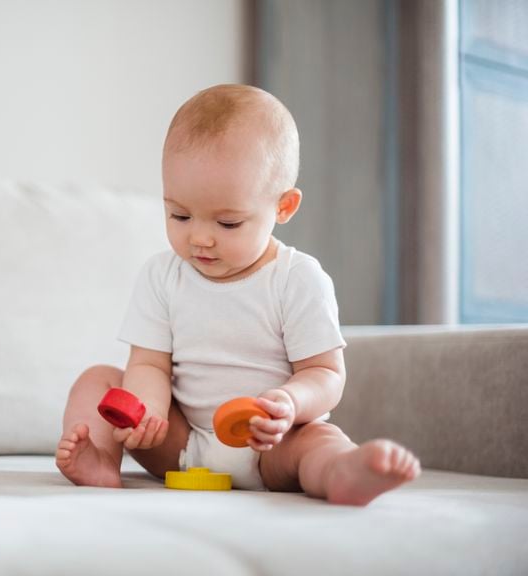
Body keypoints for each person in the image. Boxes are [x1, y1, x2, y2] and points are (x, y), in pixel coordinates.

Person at [55, 84, 420, 505]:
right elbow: (148, 364)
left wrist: (290, 403)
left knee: (319, 440)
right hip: (180, 445)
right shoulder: (162, 275)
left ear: (283, 207)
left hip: (271, 443)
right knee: (98, 380)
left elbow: (326, 375)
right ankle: (101, 461)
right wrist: (148, 411)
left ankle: (342, 472)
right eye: (180, 215)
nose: (200, 238)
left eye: (228, 223)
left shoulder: (297, 279)